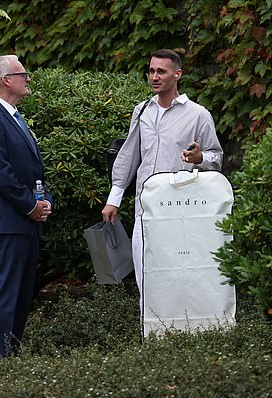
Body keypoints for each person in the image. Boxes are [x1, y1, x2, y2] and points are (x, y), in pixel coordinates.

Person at [101, 48, 223, 308]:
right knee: (144, 271)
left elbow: (217, 158)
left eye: (161, 71)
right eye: (151, 71)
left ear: (177, 74)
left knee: (179, 273)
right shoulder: (142, 110)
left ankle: (182, 334)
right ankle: (151, 334)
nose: (154, 76)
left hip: (181, 210)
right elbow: (128, 155)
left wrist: (200, 158)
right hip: (145, 208)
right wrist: (114, 198)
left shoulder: (198, 115)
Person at [0, 54, 52, 357]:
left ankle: (11, 358)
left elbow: (31, 171)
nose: (28, 78)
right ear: (6, 80)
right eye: (23, 74)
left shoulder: (14, 117)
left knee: (21, 294)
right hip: (4, 220)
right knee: (6, 293)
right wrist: (29, 205)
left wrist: (43, 201)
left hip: (24, 220)